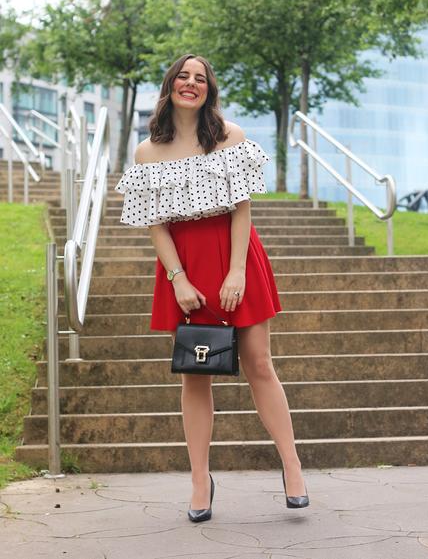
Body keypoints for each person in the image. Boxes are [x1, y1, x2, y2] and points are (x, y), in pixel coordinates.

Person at [114, 54, 309, 522]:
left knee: (259, 362)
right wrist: (178, 278)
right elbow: (154, 224)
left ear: (209, 90)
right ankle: (201, 480)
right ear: (170, 85)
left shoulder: (230, 137)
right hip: (184, 266)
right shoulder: (146, 152)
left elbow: (241, 208)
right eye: (183, 76)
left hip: (236, 255)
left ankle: (292, 465)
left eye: (200, 78)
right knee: (195, 374)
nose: (191, 83)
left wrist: (237, 271)